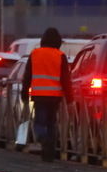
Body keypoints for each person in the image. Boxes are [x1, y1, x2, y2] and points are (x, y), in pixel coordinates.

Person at [22, 27, 73, 162]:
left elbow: (27, 76)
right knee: (51, 123)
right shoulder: (60, 56)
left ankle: (42, 138)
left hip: (39, 95)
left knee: (40, 122)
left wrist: (24, 93)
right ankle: (49, 154)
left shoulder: (35, 54)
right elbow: (65, 80)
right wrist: (70, 99)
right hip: (55, 96)